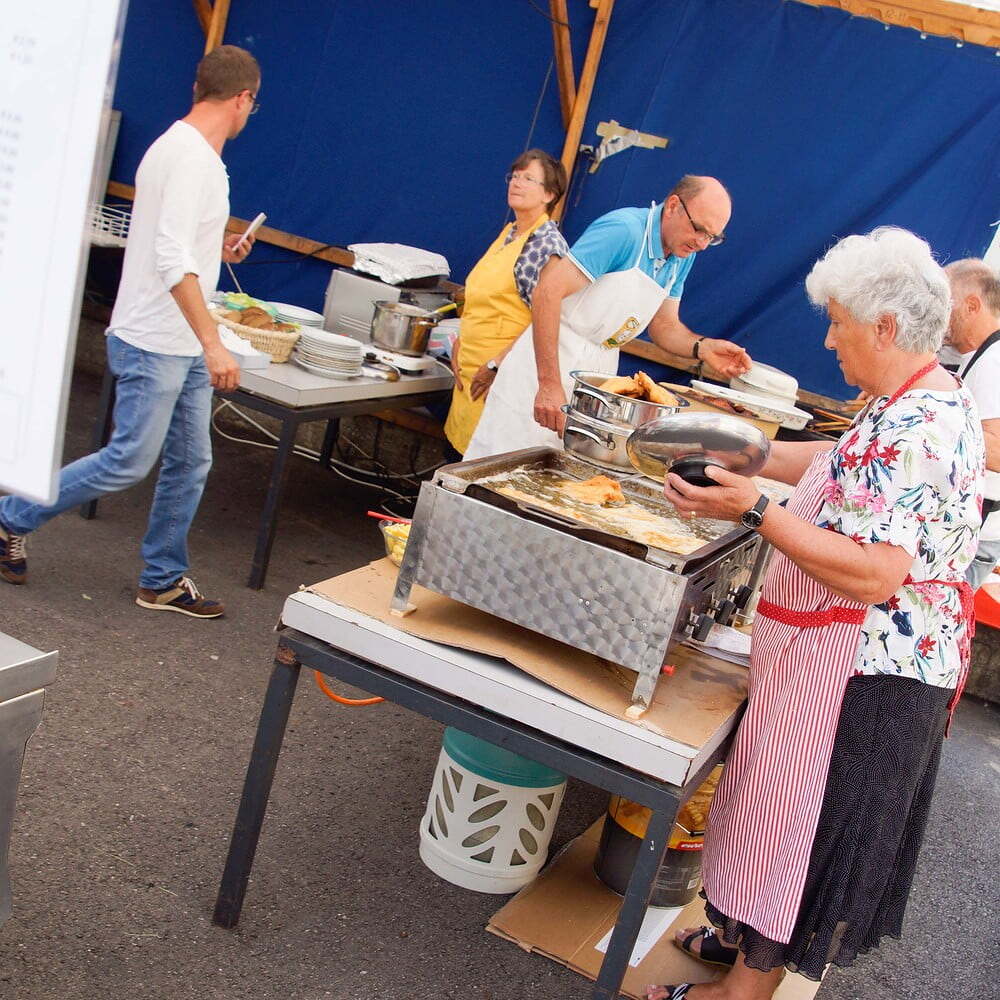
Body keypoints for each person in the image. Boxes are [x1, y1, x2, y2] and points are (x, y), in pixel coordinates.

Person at [647, 228, 983, 1000]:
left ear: (884, 327)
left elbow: (874, 574)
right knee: (770, 817)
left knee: (803, 841)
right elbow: (837, 464)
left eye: (837, 323)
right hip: (831, 660)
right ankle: (739, 943)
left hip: (872, 678)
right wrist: (749, 455)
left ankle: (742, 994)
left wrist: (753, 507)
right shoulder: (903, 397)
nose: (828, 340)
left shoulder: (924, 424)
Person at [0, 45, 262, 618]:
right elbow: (170, 258)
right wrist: (214, 343)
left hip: (177, 338)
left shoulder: (187, 151)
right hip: (155, 338)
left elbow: (174, 241)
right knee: (127, 461)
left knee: (190, 463)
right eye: (253, 105)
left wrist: (217, 248)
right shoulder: (189, 158)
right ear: (243, 99)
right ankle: (9, 519)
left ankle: (162, 578)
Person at [464, 174, 752, 460]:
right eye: (699, 229)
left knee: (558, 470)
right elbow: (547, 293)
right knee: (501, 462)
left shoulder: (682, 255)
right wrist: (548, 384)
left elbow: (665, 326)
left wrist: (703, 347)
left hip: (598, 372)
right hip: (545, 363)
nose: (702, 244)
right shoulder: (624, 230)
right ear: (674, 205)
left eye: (712, 237)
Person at [443, 149, 568, 458]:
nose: (517, 183)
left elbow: (544, 319)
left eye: (528, 179)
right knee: (453, 457)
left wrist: (495, 364)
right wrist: (458, 344)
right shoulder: (510, 232)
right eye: (514, 176)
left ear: (549, 194)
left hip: (501, 378)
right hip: (469, 372)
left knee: (479, 464)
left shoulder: (546, 245)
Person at [944, 259, 1000, 589]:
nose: (940, 315)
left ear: (972, 305)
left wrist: (930, 422)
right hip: (969, 531)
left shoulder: (994, 361)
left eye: (946, 303)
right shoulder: (980, 356)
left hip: (973, 537)